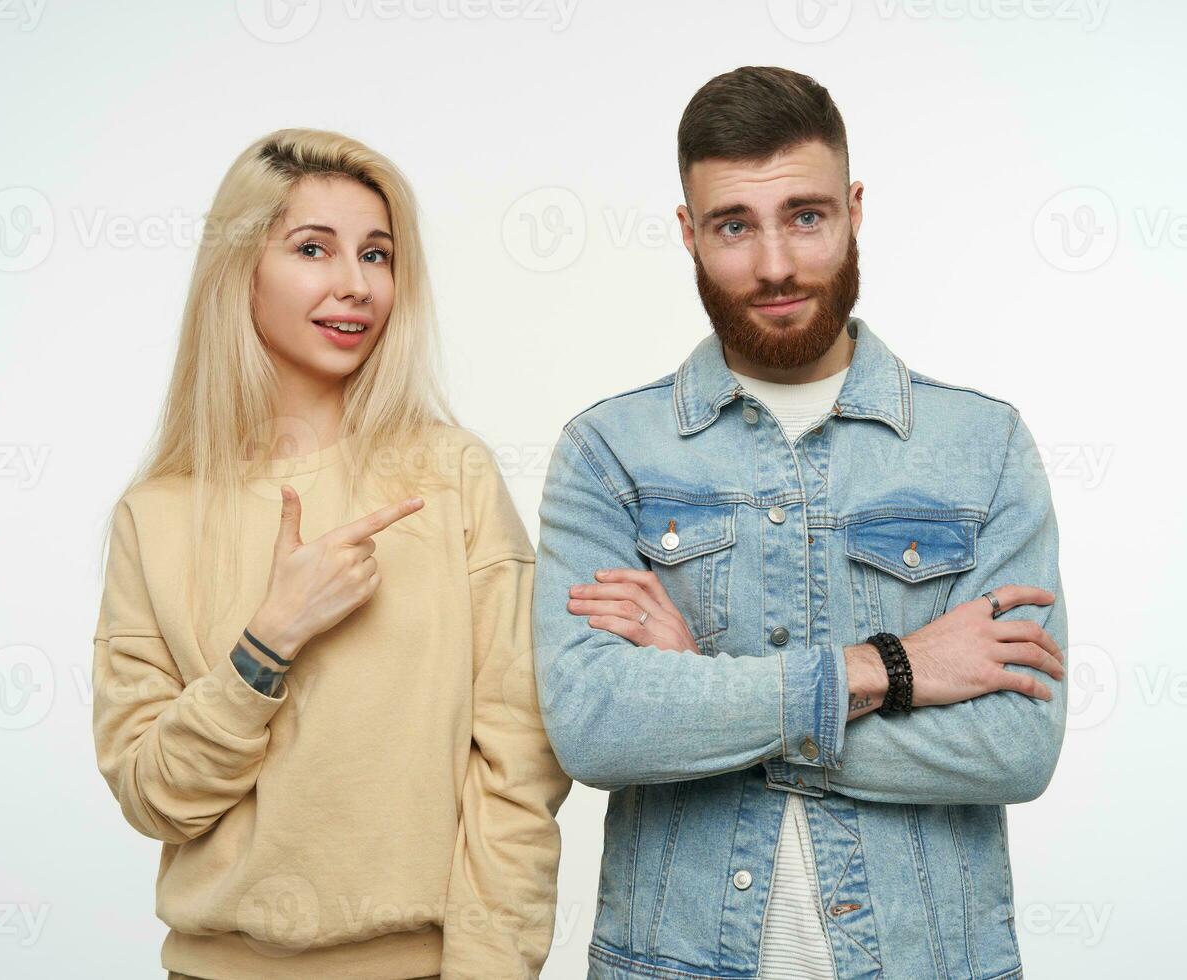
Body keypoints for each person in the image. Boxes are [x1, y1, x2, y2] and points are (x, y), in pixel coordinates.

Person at [532, 67, 1067, 979]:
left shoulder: (984, 448)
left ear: (855, 208)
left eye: (806, 216)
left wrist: (705, 692)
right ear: (687, 233)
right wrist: (890, 669)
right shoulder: (606, 453)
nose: (774, 264)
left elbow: (1012, 747)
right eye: (734, 225)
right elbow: (598, 728)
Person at [91, 128, 570, 980]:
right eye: (314, 249)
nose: (356, 285)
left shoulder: (449, 477)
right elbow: (155, 795)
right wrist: (267, 642)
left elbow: (518, 764)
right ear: (240, 270)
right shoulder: (155, 515)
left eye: (378, 255)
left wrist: (491, 968)